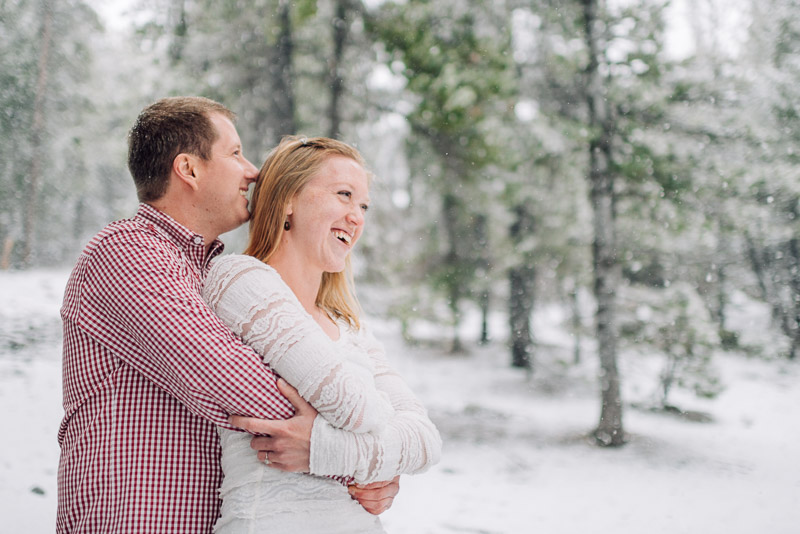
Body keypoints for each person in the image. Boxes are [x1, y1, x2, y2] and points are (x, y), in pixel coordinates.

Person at [57, 97, 399, 533]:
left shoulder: (207, 270)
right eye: (235, 153)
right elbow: (237, 385)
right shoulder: (129, 252)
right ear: (189, 169)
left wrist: (367, 456)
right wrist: (359, 460)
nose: (252, 170)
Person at [201, 135, 442, 533]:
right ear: (289, 199)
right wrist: (379, 454)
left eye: (363, 205)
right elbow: (356, 407)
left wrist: (326, 449)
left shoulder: (347, 324)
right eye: (343, 195)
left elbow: (427, 443)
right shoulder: (241, 279)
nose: (357, 216)